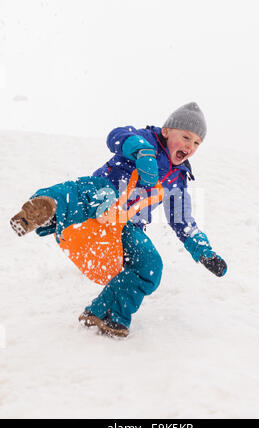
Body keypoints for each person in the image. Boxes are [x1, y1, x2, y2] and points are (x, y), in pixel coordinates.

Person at [10, 102, 227, 338]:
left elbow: (183, 221)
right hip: (105, 195)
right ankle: (42, 210)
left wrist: (204, 251)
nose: (190, 146)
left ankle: (107, 314)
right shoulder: (147, 139)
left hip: (127, 224)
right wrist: (141, 151)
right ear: (166, 132)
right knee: (85, 194)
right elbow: (116, 135)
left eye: (196, 142)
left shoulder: (178, 179)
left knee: (150, 266)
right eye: (185, 136)